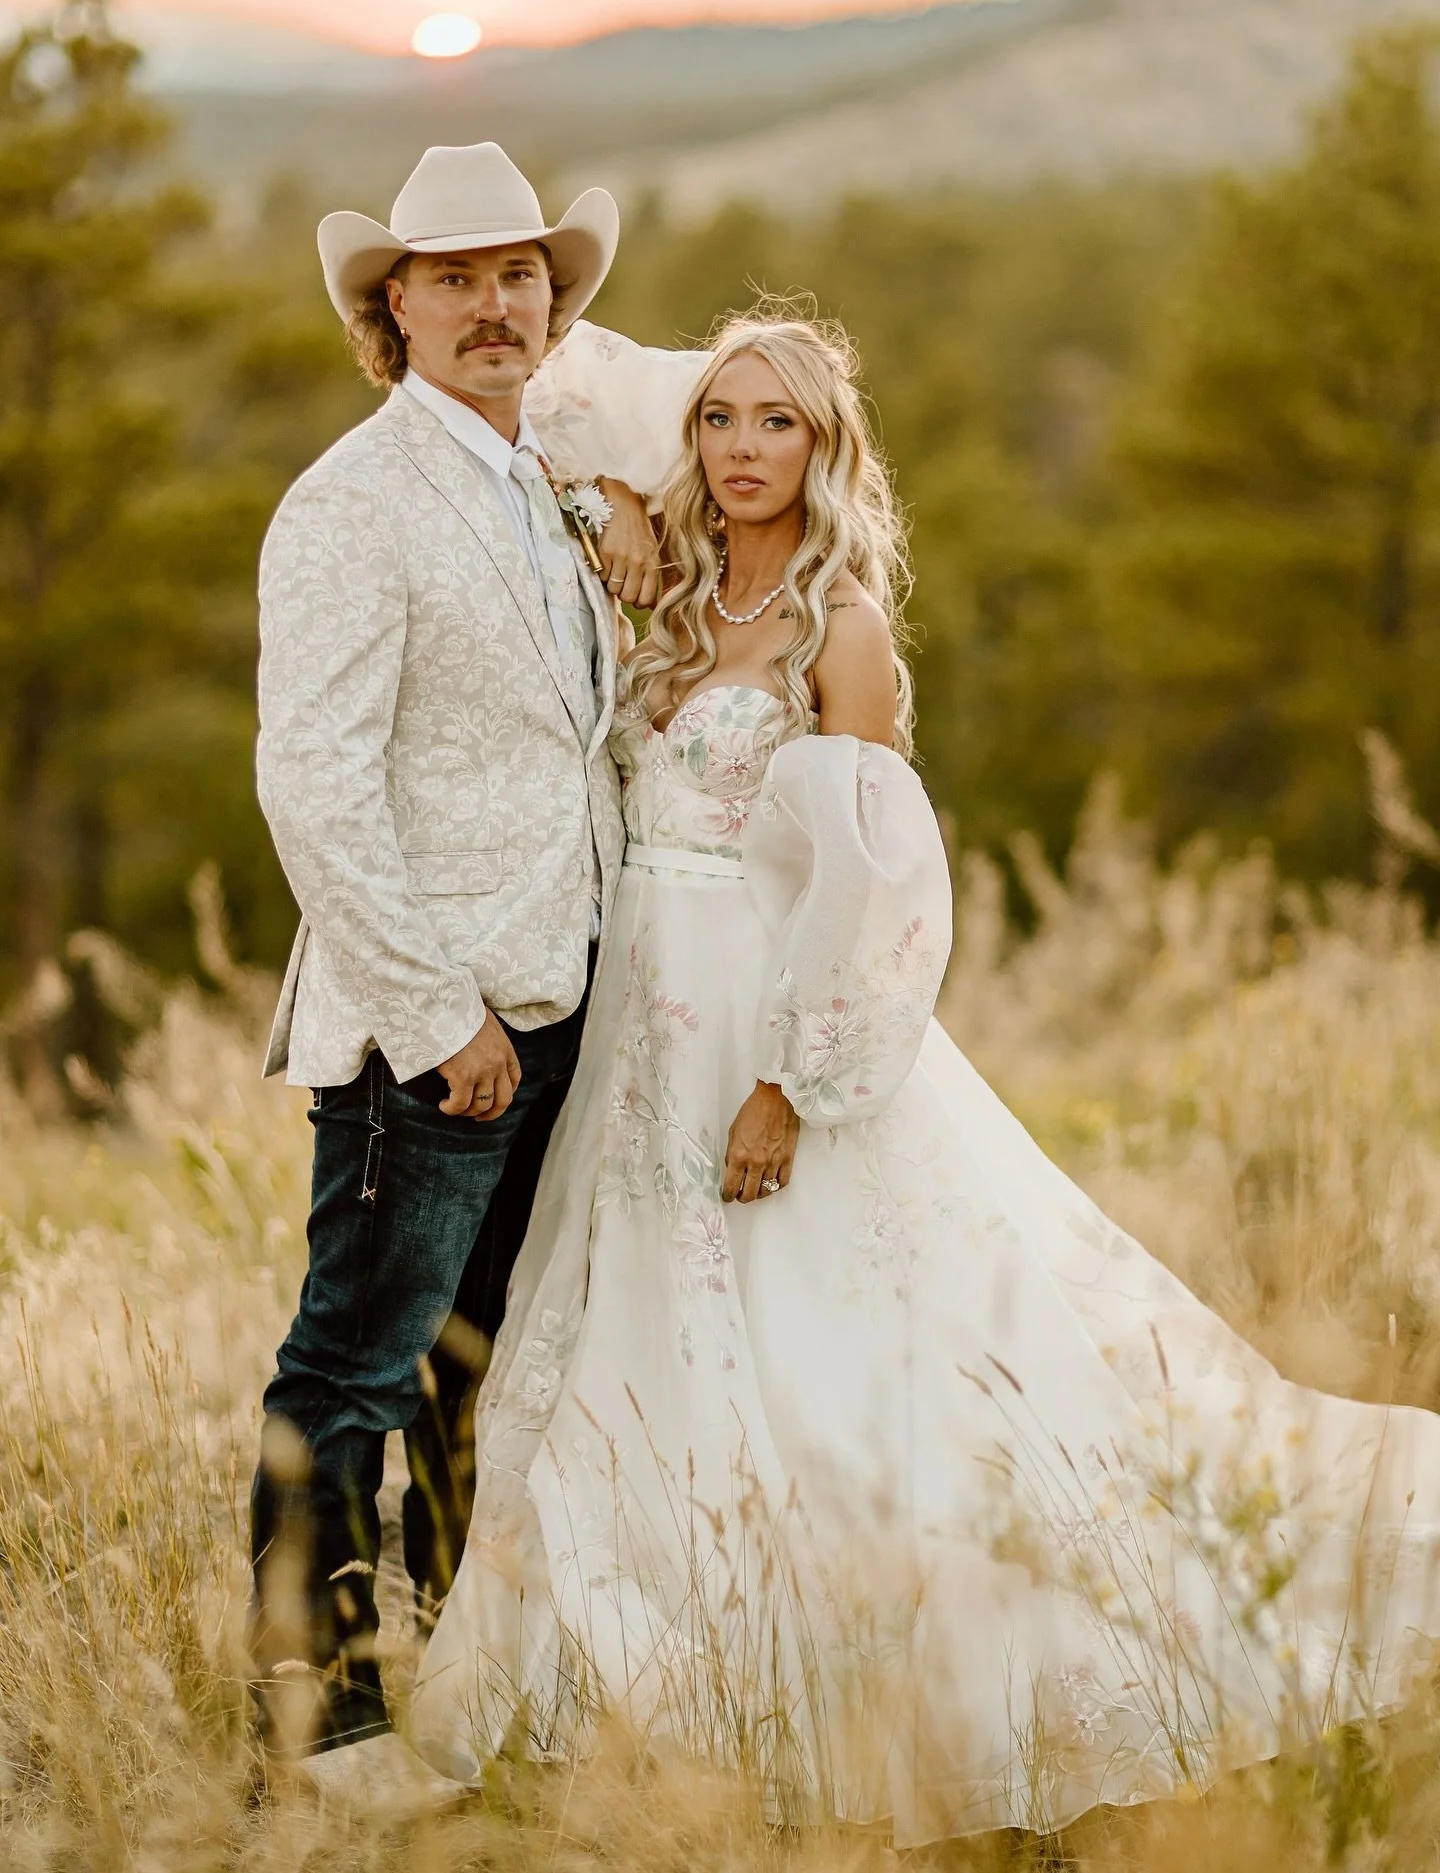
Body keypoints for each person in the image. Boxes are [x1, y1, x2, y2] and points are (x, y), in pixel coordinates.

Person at [408, 308, 1440, 1844]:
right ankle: (664, 1700)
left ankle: (900, 1679)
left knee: (846, 1346)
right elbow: (535, 383)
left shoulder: (843, 626)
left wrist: (790, 1083)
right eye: (718, 421)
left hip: (765, 1022)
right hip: (638, 1025)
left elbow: (881, 889)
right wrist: (617, 498)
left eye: (779, 425)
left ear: (828, 450)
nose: (743, 451)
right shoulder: (671, 596)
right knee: (648, 1334)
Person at [250, 140, 669, 1805]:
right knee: (353, 1363)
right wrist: (441, 1021)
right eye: (455, 280)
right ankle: (324, 1723)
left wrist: (627, 505)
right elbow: (315, 781)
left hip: (562, 1013)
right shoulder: (351, 503)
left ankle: (464, 1678)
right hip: (430, 1033)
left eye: (521, 278)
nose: (497, 307)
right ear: (392, 312)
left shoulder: (537, 477)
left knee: (486, 1367)